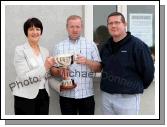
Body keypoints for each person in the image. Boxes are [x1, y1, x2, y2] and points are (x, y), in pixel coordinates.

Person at [100, 12, 155, 115]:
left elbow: (148, 72)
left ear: (125, 24)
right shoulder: (105, 46)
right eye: (110, 23)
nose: (113, 26)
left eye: (117, 22)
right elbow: (102, 66)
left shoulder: (138, 45)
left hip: (128, 97)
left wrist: (135, 87)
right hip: (107, 96)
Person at [50, 15, 101, 115]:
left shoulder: (91, 45)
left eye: (77, 27)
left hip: (87, 96)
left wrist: (87, 61)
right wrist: (60, 71)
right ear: (67, 28)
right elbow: (52, 71)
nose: (75, 30)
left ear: (81, 27)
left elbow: (99, 68)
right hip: (66, 96)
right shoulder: (58, 46)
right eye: (72, 27)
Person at [13, 17, 55, 115]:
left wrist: (60, 87)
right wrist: (45, 67)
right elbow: (24, 77)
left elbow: (46, 76)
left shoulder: (45, 51)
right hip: (25, 97)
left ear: (41, 32)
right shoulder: (20, 50)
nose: (35, 32)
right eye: (31, 29)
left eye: (37, 29)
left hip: (43, 96)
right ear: (26, 32)